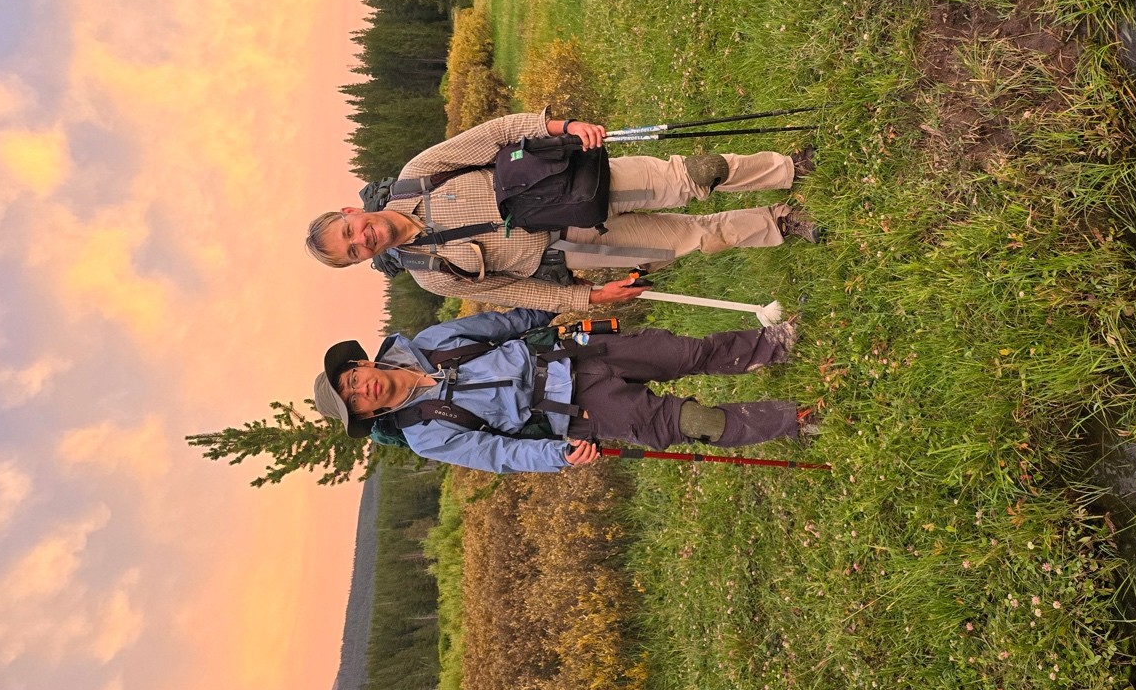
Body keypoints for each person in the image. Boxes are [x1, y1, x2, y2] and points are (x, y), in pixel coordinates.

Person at [305, 110, 820, 313]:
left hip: (572, 184)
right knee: (695, 237)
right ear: (359, 262)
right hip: (574, 248)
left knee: (692, 176)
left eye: (350, 230)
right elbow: (515, 292)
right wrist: (590, 296)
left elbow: (496, 135)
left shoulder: (419, 173)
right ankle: (777, 221)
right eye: (352, 252)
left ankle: (787, 169)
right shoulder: (430, 275)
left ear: (351, 210)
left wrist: (564, 129)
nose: (362, 240)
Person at [312, 307, 817, 474]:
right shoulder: (424, 434)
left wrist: (556, 302)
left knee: (685, 352)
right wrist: (559, 455)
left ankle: (776, 343)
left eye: (352, 380)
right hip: (574, 412)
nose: (362, 390)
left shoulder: (428, 341)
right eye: (355, 401)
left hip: (575, 354)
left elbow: (501, 324)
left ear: (360, 363)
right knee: (689, 423)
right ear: (367, 415)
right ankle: (794, 420)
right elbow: (497, 454)